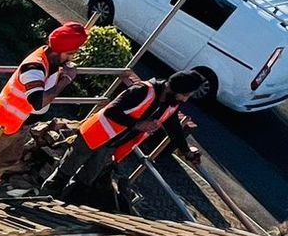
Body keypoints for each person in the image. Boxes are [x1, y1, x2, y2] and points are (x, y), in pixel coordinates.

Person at [45, 70, 200, 200]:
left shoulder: (172, 104)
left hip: (112, 145)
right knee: (65, 171)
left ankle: (61, 206)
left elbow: (174, 128)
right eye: (186, 95)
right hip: (94, 135)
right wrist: (138, 124)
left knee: (85, 180)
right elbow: (111, 111)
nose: (186, 99)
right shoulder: (142, 90)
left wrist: (186, 151)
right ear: (176, 90)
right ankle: (43, 199)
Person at [0, 21, 88, 182]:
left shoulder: (54, 61)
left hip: (22, 123)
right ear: (59, 51)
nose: (72, 58)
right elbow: (38, 102)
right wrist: (66, 80)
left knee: (8, 159)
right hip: (6, 122)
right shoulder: (34, 67)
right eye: (70, 54)